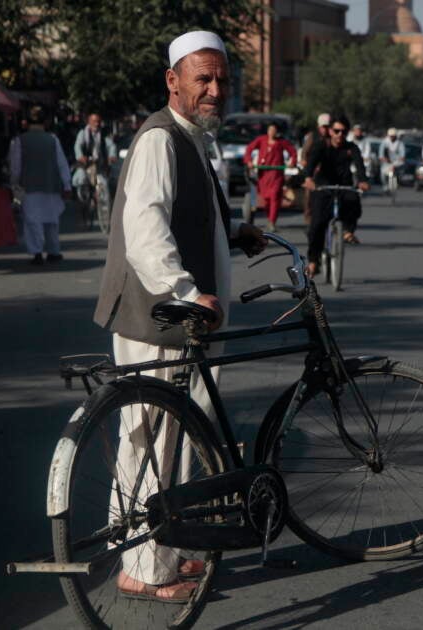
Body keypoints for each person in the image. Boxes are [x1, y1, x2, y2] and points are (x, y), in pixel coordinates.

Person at [92, 30, 266, 603]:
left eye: (221, 79)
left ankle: (161, 555)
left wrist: (233, 231)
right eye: (203, 79)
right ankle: (143, 569)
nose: (215, 89)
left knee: (172, 438)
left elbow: (187, 213)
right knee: (149, 439)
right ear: (174, 81)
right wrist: (187, 290)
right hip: (159, 319)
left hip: (182, 319)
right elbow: (144, 231)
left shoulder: (193, 138)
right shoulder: (159, 140)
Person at [303, 114, 369, 275]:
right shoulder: (321, 146)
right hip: (323, 186)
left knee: (353, 200)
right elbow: (311, 164)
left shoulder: (351, 148)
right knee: (316, 225)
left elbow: (359, 165)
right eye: (336, 131)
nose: (340, 135)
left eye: (343, 132)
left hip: (343, 185)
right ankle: (313, 261)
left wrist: (362, 180)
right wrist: (308, 178)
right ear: (330, 131)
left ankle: (347, 231)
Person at [8, 106, 72, 265]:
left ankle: (37, 253)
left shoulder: (19, 141)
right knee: (52, 221)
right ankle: (54, 251)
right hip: (51, 186)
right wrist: (67, 185)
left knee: (32, 222)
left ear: (26, 122)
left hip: (29, 187)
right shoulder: (53, 140)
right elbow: (62, 164)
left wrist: (14, 183)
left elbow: (16, 166)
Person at [243, 123, 296, 231]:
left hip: (277, 174)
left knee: (275, 197)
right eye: (270, 130)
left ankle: (272, 221)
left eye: (274, 130)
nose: (272, 132)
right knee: (266, 199)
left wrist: (292, 162)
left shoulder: (281, 142)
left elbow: (292, 151)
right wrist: (249, 161)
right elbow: (249, 148)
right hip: (263, 174)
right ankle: (269, 219)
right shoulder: (261, 140)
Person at [72, 112, 118, 210]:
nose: (96, 124)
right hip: (86, 163)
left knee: (105, 182)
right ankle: (84, 198)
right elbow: (77, 146)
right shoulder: (83, 133)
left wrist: (112, 155)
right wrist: (80, 156)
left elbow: (111, 145)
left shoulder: (103, 134)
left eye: (98, 121)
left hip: (99, 163)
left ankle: (104, 206)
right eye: (94, 121)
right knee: (81, 177)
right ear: (89, 122)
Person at [298, 113, 330, 224]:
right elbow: (304, 152)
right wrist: (304, 160)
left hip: (327, 171)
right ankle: (309, 218)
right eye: (323, 127)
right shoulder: (313, 136)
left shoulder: (332, 138)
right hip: (313, 171)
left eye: (327, 127)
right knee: (309, 195)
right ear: (319, 126)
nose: (325, 130)